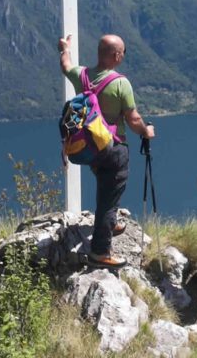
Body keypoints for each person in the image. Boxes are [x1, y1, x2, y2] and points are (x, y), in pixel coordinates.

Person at [58, 33, 155, 269]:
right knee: (109, 199)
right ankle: (100, 252)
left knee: (106, 187)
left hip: (90, 148)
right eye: (122, 53)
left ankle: (108, 222)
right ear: (116, 55)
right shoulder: (120, 83)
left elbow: (66, 65)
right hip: (113, 147)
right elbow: (133, 119)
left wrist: (65, 48)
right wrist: (146, 131)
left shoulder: (81, 75)